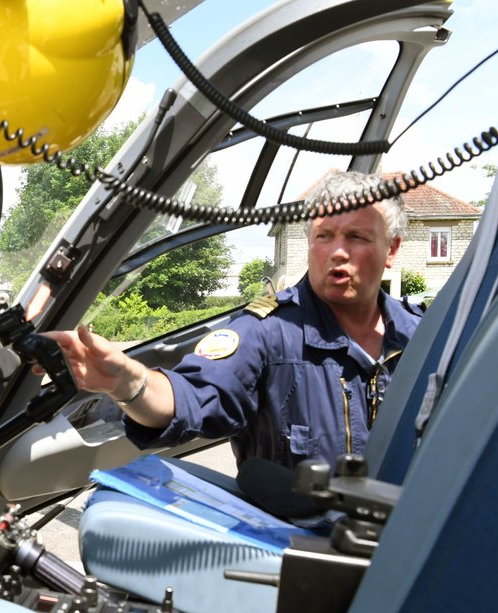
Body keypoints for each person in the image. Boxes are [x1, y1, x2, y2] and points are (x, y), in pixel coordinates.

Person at [43, 170, 424, 474]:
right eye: (324, 236)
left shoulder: (425, 337)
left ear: (391, 249)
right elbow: (193, 396)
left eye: (357, 237)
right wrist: (127, 382)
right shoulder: (267, 331)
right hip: (295, 541)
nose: (337, 252)